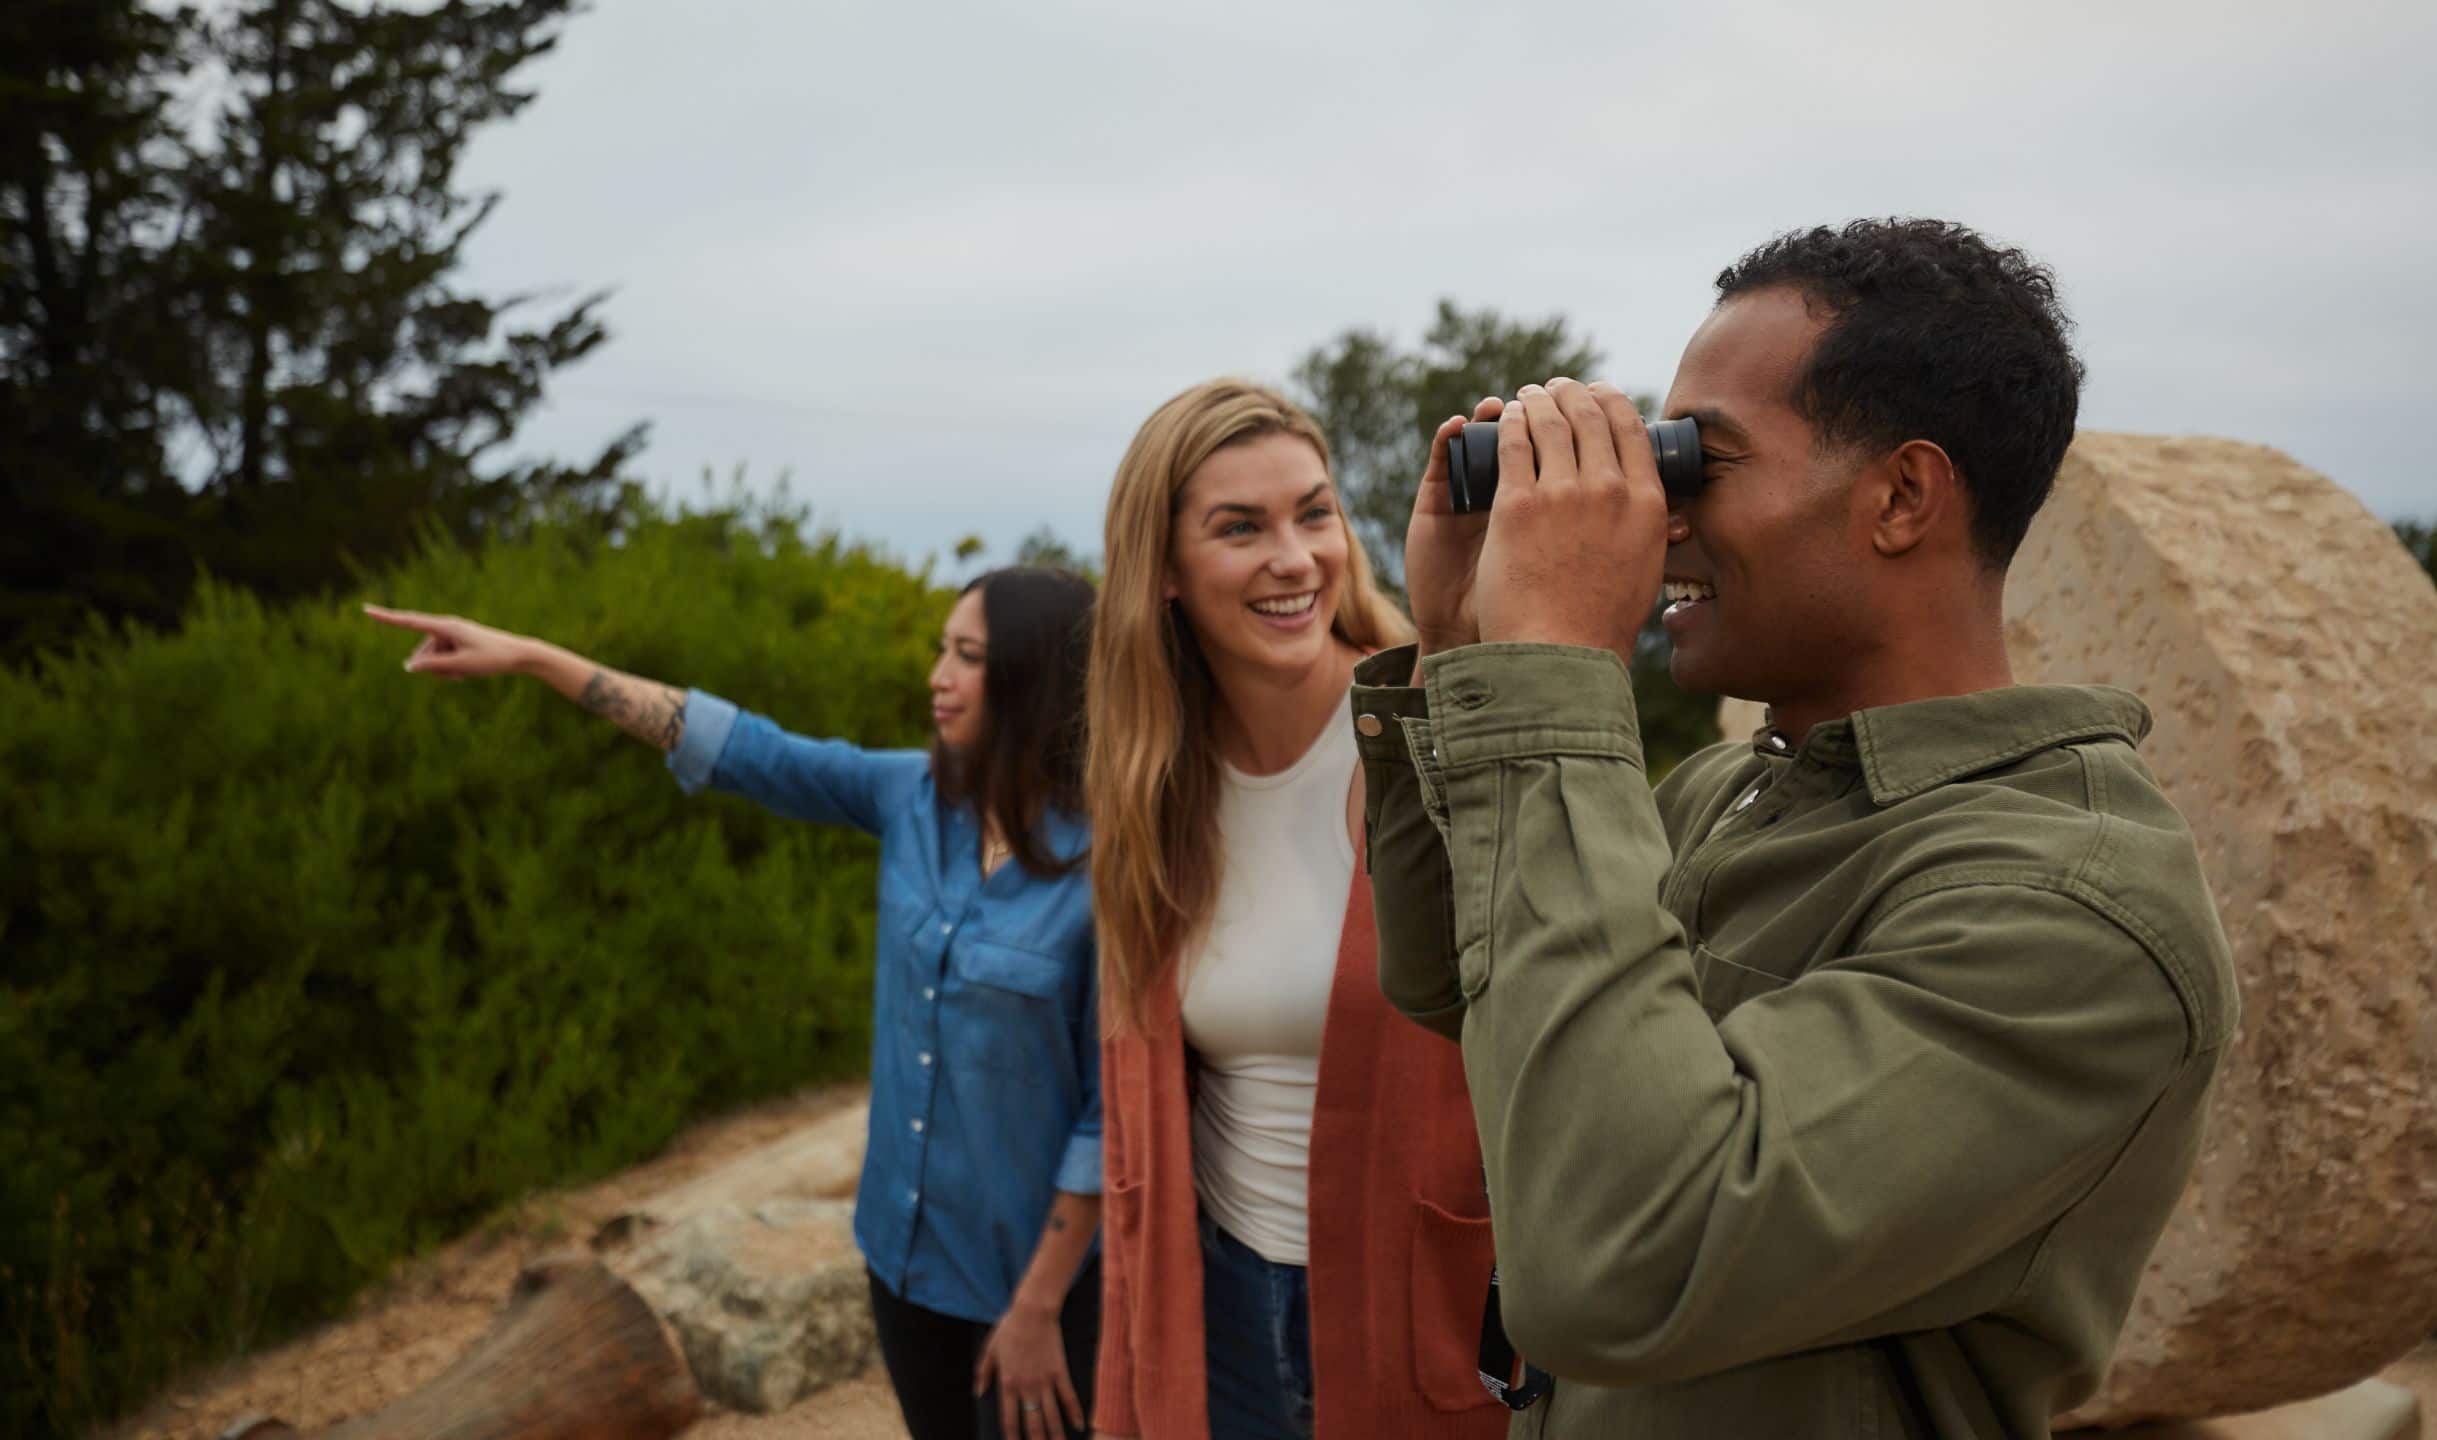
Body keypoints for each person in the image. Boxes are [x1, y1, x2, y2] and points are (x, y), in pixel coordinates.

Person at [1356, 219, 2240, 1438]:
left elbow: (1624, 1261)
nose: (1655, 519)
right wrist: (1463, 644)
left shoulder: (2069, 910)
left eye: (1696, 463)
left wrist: (1551, 667)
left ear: (1900, 497)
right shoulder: (1732, 795)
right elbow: (1457, 985)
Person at [365, 566, 1108, 1440]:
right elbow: (741, 748)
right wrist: (537, 659)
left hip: (1037, 1291)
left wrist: (1038, 1308)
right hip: (904, 1263)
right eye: (941, 649)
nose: (937, 675)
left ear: (1031, 678)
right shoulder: (911, 798)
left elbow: (1110, 1118)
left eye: (968, 656)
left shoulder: (1107, 867)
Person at [1080, 380, 1508, 1440]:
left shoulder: (1424, 737)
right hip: (1220, 1294)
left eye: (1314, 513)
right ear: (1165, 573)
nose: (1294, 557)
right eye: (1239, 528)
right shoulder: (1149, 786)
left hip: (1418, 1304)